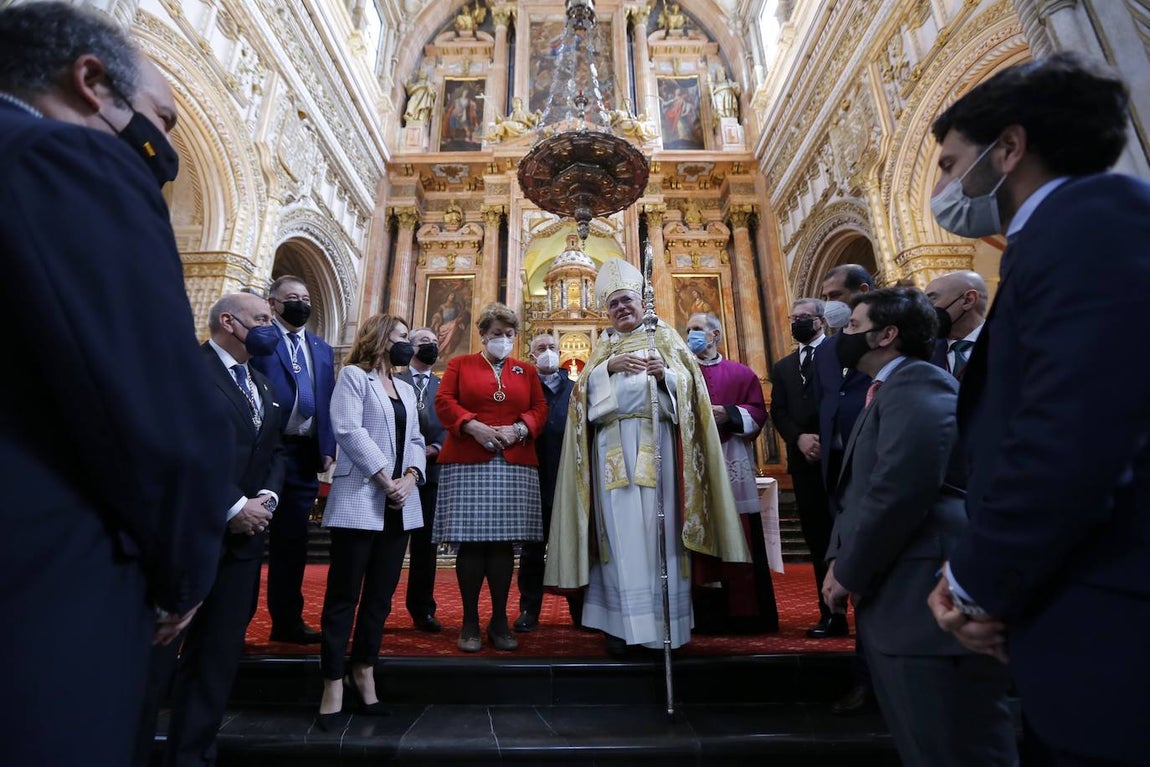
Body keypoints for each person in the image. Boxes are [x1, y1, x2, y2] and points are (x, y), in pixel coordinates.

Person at [0, 3, 233, 763]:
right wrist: (184, 575)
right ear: (92, 82)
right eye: (162, 119)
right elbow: (160, 414)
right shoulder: (66, 161)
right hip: (42, 592)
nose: (165, 146)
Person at [924, 52, 1150, 765]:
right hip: (1074, 601)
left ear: (1010, 148)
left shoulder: (1093, 223)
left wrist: (976, 581)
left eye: (948, 163)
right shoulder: (1065, 234)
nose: (942, 188)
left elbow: (1071, 436)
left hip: (1115, 618)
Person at [822, 287, 1016, 766]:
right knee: (923, 743)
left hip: (923, 597)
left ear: (886, 335)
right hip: (899, 594)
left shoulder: (919, 384)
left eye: (853, 327)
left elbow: (900, 488)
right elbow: (864, 488)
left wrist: (848, 570)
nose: (842, 336)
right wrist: (840, 556)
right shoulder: (888, 389)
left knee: (954, 746)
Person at [545, 258, 749, 657]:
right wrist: (606, 369)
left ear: (642, 303)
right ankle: (619, 627)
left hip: (659, 447)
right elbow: (579, 401)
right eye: (614, 304)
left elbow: (693, 392)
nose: (621, 308)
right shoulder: (603, 348)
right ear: (606, 312)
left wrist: (666, 376)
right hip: (610, 450)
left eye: (627, 300)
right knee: (615, 533)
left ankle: (663, 626)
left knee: (660, 532)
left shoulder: (665, 337)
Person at [139, 293, 286, 767]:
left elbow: (274, 451)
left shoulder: (263, 384)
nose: (271, 327)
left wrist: (267, 499)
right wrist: (233, 504)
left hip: (243, 545)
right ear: (229, 321)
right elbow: (176, 447)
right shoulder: (187, 371)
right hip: (190, 535)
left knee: (216, 661)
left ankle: (192, 757)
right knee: (155, 664)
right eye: (262, 318)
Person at [316, 314, 426, 729]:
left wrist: (410, 477)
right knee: (343, 594)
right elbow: (348, 430)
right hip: (361, 497)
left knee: (380, 597)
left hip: (400, 502)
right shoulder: (353, 377)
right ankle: (332, 680)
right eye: (402, 337)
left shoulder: (406, 387)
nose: (408, 344)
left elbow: (415, 439)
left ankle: (363, 670)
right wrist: (384, 478)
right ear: (381, 338)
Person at [433, 302, 548, 652]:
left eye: (509, 334)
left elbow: (539, 409)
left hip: (514, 461)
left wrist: (519, 429)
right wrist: (472, 425)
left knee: (502, 545)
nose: (504, 339)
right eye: (497, 333)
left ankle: (499, 620)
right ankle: (469, 621)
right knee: (471, 543)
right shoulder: (460, 364)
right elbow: (444, 401)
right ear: (483, 334)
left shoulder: (526, 371)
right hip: (468, 458)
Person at [251, 275, 337, 644]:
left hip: (304, 454)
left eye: (305, 297)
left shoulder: (321, 347)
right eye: (292, 297)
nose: (301, 303)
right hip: (266, 449)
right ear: (273, 303)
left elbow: (327, 397)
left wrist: (328, 445)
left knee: (293, 541)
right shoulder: (260, 340)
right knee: (251, 536)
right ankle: (235, 620)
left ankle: (287, 621)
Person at [686, 312, 779, 634]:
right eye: (688, 330)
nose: (691, 335)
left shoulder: (741, 373)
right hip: (693, 463)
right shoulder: (680, 373)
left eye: (697, 329)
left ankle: (745, 613)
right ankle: (702, 616)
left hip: (731, 457)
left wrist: (728, 414)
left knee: (742, 532)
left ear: (715, 335)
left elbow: (758, 411)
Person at [812, 263, 876, 715]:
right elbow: (825, 401)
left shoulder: (905, 364)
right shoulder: (829, 351)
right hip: (837, 466)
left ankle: (877, 677)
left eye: (836, 296)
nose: (829, 305)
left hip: (875, 460)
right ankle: (868, 673)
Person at [769, 298, 839, 639]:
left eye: (804, 317)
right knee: (817, 537)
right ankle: (831, 614)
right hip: (803, 460)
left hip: (839, 455)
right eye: (793, 317)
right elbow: (779, 411)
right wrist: (799, 438)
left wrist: (826, 437)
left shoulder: (839, 354)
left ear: (821, 321)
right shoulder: (783, 367)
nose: (797, 322)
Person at [514, 333, 583, 632]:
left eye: (552, 347)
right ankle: (529, 610)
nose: (548, 352)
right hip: (532, 480)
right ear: (532, 356)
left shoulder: (577, 389)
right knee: (532, 551)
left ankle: (580, 610)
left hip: (569, 480)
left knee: (573, 547)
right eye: (541, 348)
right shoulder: (522, 390)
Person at [395, 327, 447, 633]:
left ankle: (423, 609)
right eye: (424, 342)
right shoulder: (394, 381)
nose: (431, 346)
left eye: (435, 343)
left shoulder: (444, 386)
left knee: (425, 548)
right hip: (396, 473)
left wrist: (435, 447)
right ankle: (379, 606)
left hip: (433, 473)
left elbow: (451, 423)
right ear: (410, 347)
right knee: (390, 545)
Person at [924, 270, 987, 379]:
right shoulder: (925, 355)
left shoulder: (1011, 341)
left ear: (968, 300)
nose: (924, 309)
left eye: (932, 300)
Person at [430, 288, 471, 358]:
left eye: (453, 296)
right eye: (451, 295)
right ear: (447, 296)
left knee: (454, 326)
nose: (452, 297)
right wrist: (435, 324)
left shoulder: (456, 306)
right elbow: (437, 315)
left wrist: (460, 319)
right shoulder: (442, 306)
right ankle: (440, 352)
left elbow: (461, 314)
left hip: (453, 324)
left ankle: (447, 351)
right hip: (444, 326)